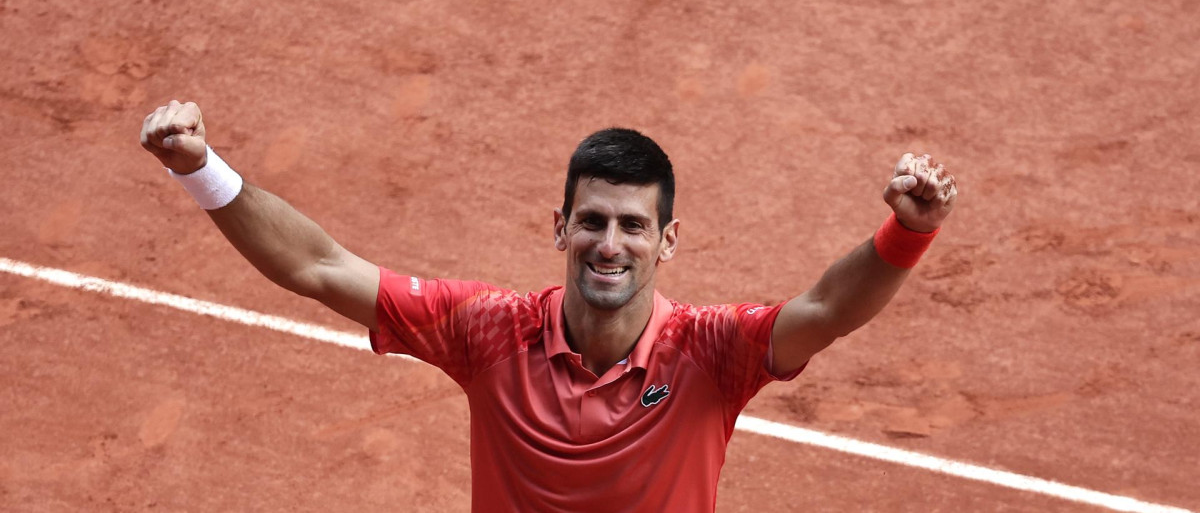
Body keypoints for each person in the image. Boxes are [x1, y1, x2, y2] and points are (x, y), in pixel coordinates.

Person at [139, 100, 958, 512]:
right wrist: (200, 167)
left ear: (667, 241)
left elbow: (827, 307)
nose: (611, 243)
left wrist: (906, 234)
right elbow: (318, 265)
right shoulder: (487, 328)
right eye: (594, 220)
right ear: (560, 226)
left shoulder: (711, 351)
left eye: (634, 226)